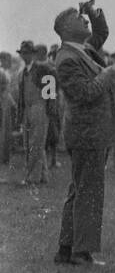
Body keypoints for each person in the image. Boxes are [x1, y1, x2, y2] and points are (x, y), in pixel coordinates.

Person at [52, 0, 115, 265]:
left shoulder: (82, 50)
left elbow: (102, 33)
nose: (86, 21)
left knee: (79, 190)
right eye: (79, 18)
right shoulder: (67, 58)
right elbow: (84, 93)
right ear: (66, 28)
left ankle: (67, 249)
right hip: (87, 134)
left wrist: (91, 11)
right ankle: (81, 252)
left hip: (90, 133)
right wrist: (107, 75)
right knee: (87, 192)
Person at [16, 41, 54, 185]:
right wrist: (20, 115)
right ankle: (43, 176)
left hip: (39, 108)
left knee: (36, 143)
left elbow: (51, 92)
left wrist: (49, 110)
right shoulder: (23, 71)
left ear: (33, 54)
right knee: (29, 143)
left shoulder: (43, 69)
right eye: (23, 53)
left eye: (27, 53)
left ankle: (33, 177)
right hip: (27, 109)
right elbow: (21, 96)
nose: (25, 56)